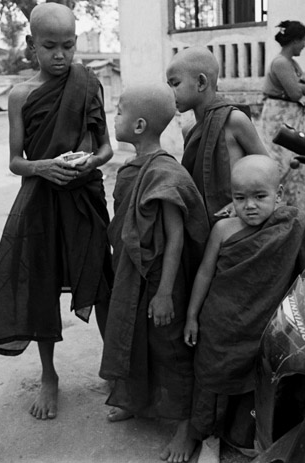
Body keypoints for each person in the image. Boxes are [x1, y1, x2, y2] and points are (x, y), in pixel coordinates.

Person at [183, 155, 305, 459]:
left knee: (252, 385)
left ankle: (241, 434)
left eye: (260, 197)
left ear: (279, 195)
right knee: (213, 381)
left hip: (260, 324)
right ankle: (209, 438)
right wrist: (192, 316)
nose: (249, 206)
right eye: (240, 198)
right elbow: (205, 273)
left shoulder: (291, 223)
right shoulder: (223, 230)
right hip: (220, 323)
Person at [0, 2, 113, 421]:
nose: (61, 56)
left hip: (83, 198)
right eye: (50, 47)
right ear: (30, 45)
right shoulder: (20, 96)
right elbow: (16, 161)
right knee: (41, 287)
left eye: (68, 46)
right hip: (39, 202)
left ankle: (116, 369)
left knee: (102, 280)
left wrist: (91, 162)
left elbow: (106, 146)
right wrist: (44, 166)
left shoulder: (89, 84)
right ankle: (49, 376)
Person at [99, 83, 210, 463]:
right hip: (133, 275)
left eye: (118, 111)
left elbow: (176, 237)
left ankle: (184, 427)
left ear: (140, 124)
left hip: (163, 279)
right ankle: (136, 400)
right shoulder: (133, 168)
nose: (113, 117)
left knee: (169, 349)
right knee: (133, 341)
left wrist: (165, 292)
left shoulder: (164, 171)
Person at [165, 46, 270, 226]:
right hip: (203, 220)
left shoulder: (235, 120)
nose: (170, 92)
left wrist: (240, 204)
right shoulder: (188, 129)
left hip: (238, 218)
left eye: (175, 84)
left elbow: (267, 168)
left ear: (201, 82)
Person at [260, 20, 305, 206]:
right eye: (303, 39)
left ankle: (288, 208)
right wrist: (300, 86)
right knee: (279, 163)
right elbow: (297, 92)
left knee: (291, 161)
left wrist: (299, 86)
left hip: (290, 115)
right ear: (295, 41)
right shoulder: (281, 63)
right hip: (279, 116)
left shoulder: (292, 64)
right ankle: (272, 206)